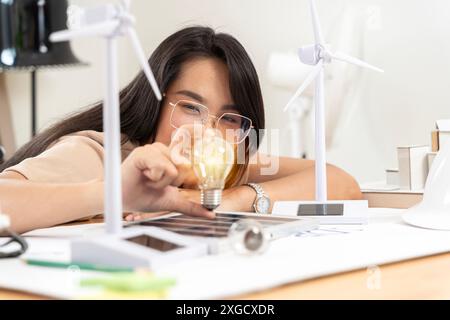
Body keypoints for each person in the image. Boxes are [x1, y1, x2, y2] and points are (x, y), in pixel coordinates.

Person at [0, 26, 362, 234]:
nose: (209, 131)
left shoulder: (218, 166)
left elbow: (341, 183)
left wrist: (235, 199)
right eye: (191, 108)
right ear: (154, 103)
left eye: (230, 119)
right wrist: (115, 193)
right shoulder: (101, 154)